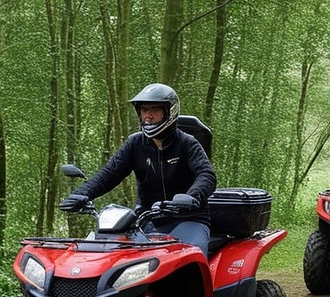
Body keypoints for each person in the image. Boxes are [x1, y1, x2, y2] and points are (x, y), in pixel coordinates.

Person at [59, 83, 217, 257]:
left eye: (155, 110)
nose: (148, 116)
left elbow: (206, 175)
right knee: (113, 258)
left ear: (170, 112)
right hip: (146, 221)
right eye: (144, 110)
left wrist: (191, 197)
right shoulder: (135, 143)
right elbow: (109, 174)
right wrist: (81, 194)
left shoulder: (187, 143)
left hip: (188, 220)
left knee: (192, 258)